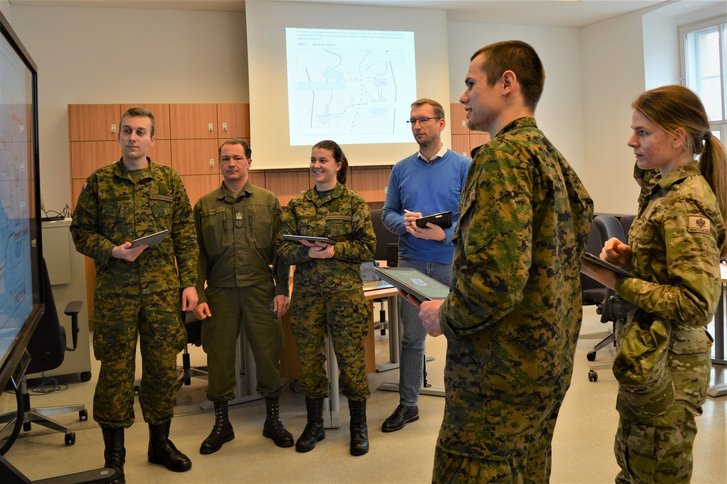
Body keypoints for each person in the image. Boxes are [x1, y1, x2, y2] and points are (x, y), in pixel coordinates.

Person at [417, 41, 593, 481]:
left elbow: (497, 280)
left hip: (497, 375)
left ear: (507, 83)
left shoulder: (502, 159)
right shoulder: (551, 158)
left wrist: (445, 315)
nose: (463, 96)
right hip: (545, 364)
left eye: (471, 83)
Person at [583, 85, 726, 482]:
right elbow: (669, 268)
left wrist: (616, 281)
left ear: (677, 136)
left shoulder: (684, 201)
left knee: (656, 472)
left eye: (643, 132)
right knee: (636, 466)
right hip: (655, 357)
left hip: (673, 365)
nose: (632, 141)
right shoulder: (663, 191)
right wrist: (632, 259)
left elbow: (697, 304)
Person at [71, 107, 198, 481]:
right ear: (119, 136)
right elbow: (80, 232)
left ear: (151, 139)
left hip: (161, 293)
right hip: (116, 295)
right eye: (127, 131)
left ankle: (160, 444)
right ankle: (115, 457)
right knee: (115, 374)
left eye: (141, 132)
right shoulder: (99, 182)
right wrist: (111, 250)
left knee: (161, 369)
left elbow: (185, 235)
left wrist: (189, 282)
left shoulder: (169, 181)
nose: (133, 137)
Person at [192, 139, 293, 454]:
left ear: (249, 162)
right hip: (219, 291)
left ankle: (272, 419)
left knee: (268, 353)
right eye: (225, 158)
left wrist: (281, 290)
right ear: (218, 164)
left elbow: (283, 251)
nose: (231, 163)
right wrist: (198, 294)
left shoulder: (267, 201)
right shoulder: (205, 205)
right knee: (219, 357)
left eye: (238, 158)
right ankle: (222, 424)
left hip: (260, 288)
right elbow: (196, 255)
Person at [277, 140, 376, 456]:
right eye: (313, 160)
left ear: (338, 165)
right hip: (308, 297)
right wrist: (307, 251)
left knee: (352, 361)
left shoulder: (353, 203)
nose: (316, 165)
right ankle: (314, 424)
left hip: (344, 297)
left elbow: (367, 247)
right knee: (308, 362)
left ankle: (358, 427)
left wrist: (336, 250)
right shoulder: (298, 205)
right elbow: (282, 249)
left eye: (323, 160)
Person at [380, 98, 470, 432]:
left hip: (452, 264)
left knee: (460, 336)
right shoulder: (401, 168)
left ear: (442, 124)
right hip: (411, 265)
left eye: (424, 120)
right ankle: (408, 404)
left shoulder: (463, 166)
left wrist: (443, 235)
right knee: (411, 338)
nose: (418, 127)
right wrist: (403, 224)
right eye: (413, 121)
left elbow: (474, 219)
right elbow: (388, 213)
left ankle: (464, 404)